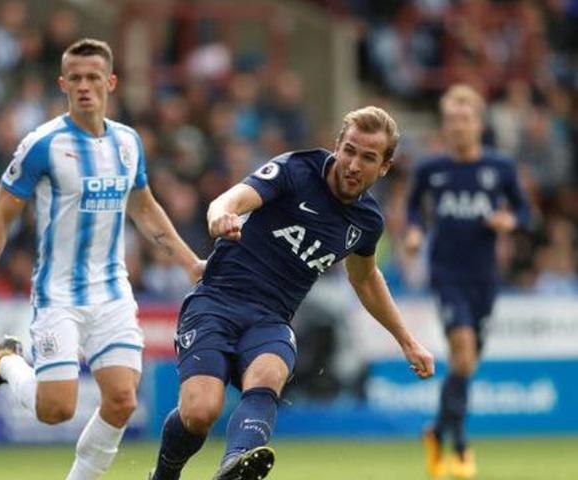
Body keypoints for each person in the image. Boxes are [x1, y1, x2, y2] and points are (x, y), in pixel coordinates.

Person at [0, 38, 203, 480]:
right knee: (56, 409)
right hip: (58, 294)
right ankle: (7, 362)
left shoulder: (128, 142)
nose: (85, 86)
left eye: (93, 78)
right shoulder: (42, 144)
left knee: (123, 400)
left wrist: (189, 263)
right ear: (63, 84)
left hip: (111, 291)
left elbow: (144, 207)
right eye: (76, 79)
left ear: (110, 82)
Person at [149, 106, 436, 480]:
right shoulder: (296, 170)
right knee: (200, 412)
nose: (353, 164)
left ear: (384, 167)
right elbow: (232, 198)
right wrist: (221, 215)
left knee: (269, 373)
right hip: (217, 302)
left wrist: (407, 341)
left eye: (367, 158)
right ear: (337, 146)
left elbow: (365, 279)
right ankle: (163, 476)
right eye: (349, 150)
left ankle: (234, 466)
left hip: (271, 320)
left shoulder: (367, 222)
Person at [405, 84, 530, 479]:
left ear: (478, 123)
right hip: (447, 275)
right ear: (445, 126)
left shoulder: (499, 168)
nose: (458, 128)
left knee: (467, 362)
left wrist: (511, 221)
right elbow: (412, 208)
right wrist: (412, 231)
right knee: (461, 350)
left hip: (484, 279)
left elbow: (525, 211)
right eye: (451, 121)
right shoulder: (431, 169)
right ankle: (460, 447)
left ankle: (436, 430)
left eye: (465, 120)